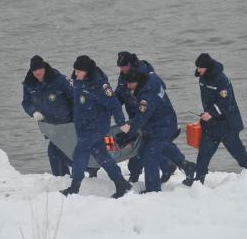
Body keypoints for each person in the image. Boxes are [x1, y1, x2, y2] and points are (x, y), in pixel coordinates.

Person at [60, 55, 132, 198]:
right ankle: (121, 183)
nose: (75, 73)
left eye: (78, 71)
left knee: (79, 154)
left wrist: (122, 123)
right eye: (74, 70)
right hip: (82, 127)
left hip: (96, 127)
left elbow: (115, 104)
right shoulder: (78, 81)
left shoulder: (100, 85)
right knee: (102, 156)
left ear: (87, 71)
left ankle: (74, 187)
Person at [187, 53, 247, 186]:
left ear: (207, 67)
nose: (198, 70)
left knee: (240, 155)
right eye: (197, 67)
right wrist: (207, 115)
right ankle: (198, 181)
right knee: (203, 155)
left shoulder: (221, 79)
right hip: (212, 125)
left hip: (228, 125)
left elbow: (226, 103)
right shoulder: (202, 78)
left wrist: (211, 113)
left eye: (200, 68)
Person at [119, 69, 196, 193]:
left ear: (137, 82)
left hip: (163, 125)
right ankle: (186, 165)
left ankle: (153, 190)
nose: (127, 86)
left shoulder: (147, 96)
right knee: (158, 147)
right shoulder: (151, 79)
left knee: (150, 154)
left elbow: (140, 118)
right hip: (158, 122)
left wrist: (127, 135)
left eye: (129, 83)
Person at [115, 52, 177, 183]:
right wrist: (111, 106)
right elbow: (119, 95)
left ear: (130, 65)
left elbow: (159, 88)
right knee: (144, 149)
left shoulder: (147, 77)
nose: (121, 70)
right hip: (137, 117)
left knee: (146, 150)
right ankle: (168, 166)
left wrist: (128, 133)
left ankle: (148, 176)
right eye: (120, 67)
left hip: (147, 117)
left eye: (123, 66)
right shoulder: (123, 77)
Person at [22, 55, 73, 176]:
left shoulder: (59, 79)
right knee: (58, 152)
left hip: (67, 123)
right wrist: (33, 112)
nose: (38, 72)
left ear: (44, 68)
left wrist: (76, 119)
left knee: (57, 151)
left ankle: (67, 177)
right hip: (49, 126)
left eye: (40, 69)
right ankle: (64, 177)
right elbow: (26, 102)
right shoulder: (29, 84)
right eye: (35, 70)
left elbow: (73, 97)